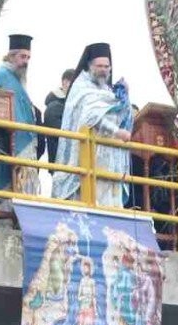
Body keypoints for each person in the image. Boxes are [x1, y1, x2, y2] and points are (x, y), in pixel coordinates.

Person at [50, 41, 134, 207]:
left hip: (109, 158)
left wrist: (125, 99)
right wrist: (117, 132)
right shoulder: (81, 88)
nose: (103, 70)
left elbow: (121, 115)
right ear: (89, 65)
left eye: (106, 66)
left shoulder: (108, 91)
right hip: (87, 158)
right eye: (99, 66)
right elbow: (91, 117)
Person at [0, 34, 38, 194]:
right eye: (22, 56)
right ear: (11, 56)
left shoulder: (17, 79)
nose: (26, 61)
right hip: (4, 141)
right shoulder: (3, 75)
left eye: (28, 57)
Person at [38, 66, 74, 164]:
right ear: (64, 82)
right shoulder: (54, 106)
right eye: (73, 82)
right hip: (61, 161)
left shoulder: (72, 105)